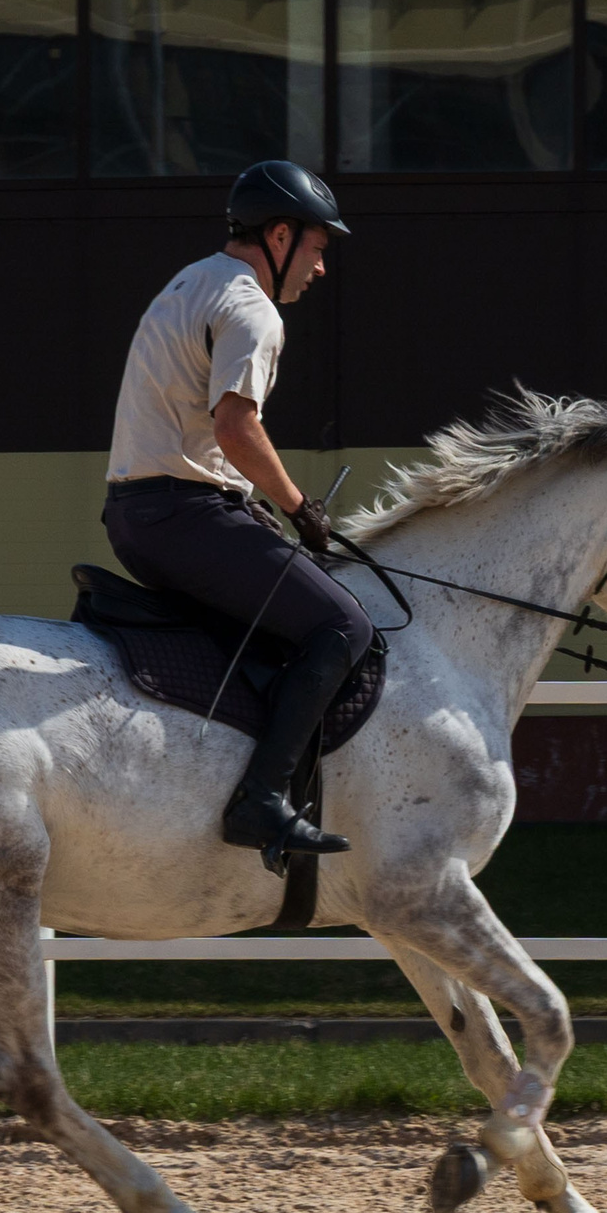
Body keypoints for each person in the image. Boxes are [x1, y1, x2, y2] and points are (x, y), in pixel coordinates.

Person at [102, 160, 377, 871]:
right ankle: (261, 798)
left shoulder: (187, 282)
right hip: (185, 514)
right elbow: (235, 427)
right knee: (343, 625)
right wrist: (299, 508)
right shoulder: (254, 309)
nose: (319, 268)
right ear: (279, 234)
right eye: (317, 248)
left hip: (139, 513)